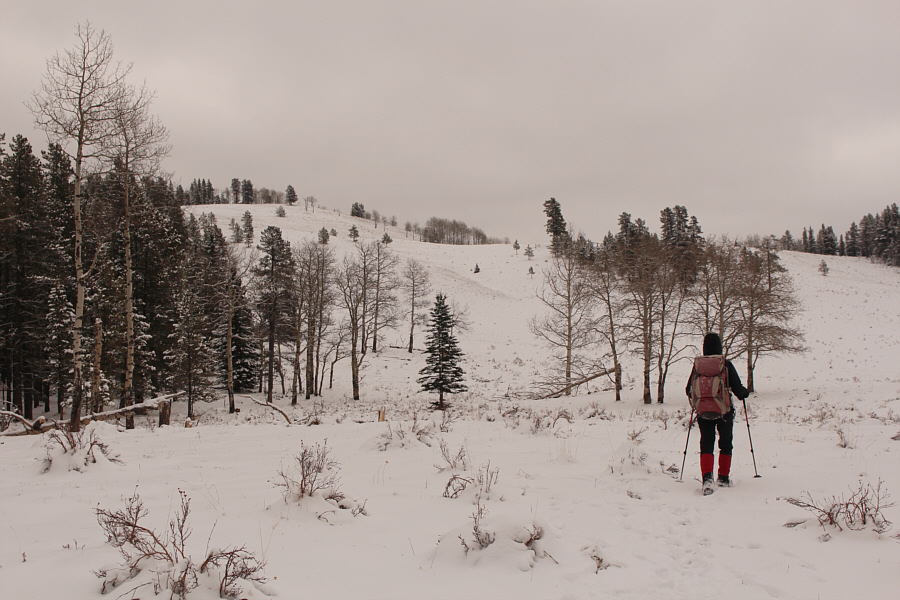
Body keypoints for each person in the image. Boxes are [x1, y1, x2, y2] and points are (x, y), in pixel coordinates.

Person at [685, 332, 749, 492]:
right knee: (725, 444)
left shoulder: (698, 367)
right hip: (724, 412)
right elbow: (738, 391)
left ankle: (707, 479)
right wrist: (744, 392)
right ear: (719, 347)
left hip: (703, 413)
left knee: (706, 443)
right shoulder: (725, 365)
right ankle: (723, 478)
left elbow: (688, 389)